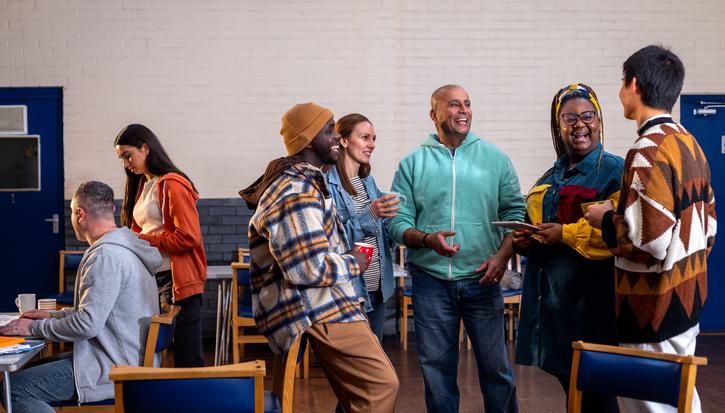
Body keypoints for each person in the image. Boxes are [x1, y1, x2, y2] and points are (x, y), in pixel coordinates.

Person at [239, 102, 399, 413]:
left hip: (324, 300)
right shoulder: (295, 190)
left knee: (360, 394)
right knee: (382, 385)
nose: (337, 138)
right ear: (309, 140)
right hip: (316, 305)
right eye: (329, 131)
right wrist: (354, 261)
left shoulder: (307, 182)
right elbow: (307, 268)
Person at [585, 45, 716, 413]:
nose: (621, 91)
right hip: (687, 299)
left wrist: (605, 221)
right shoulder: (689, 143)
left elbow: (652, 244)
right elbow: (708, 230)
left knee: (653, 408)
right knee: (682, 402)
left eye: (621, 83)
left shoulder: (647, 149)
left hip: (653, 306)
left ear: (634, 84)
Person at [387, 85, 523, 413]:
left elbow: (515, 213)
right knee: (437, 373)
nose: (463, 110)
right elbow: (396, 223)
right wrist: (425, 239)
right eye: (453, 105)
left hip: (483, 278)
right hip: (430, 282)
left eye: (467, 104)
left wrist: (502, 257)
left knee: (496, 369)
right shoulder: (412, 163)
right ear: (434, 115)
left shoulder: (495, 158)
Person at [0, 181, 160, 413]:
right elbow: (100, 312)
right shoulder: (126, 247)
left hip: (114, 366)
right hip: (122, 356)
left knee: (14, 389)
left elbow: (87, 325)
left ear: (79, 213)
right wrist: (53, 315)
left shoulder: (106, 255)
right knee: (23, 376)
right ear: (112, 210)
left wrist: (33, 328)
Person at [513, 84, 623, 412]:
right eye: (569, 118)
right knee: (573, 393)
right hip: (553, 307)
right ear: (558, 127)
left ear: (600, 121)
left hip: (592, 307)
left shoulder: (615, 171)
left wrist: (565, 234)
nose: (579, 125)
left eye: (587, 116)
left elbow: (617, 234)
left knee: (598, 396)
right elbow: (538, 227)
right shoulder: (550, 176)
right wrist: (526, 241)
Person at [114, 124, 207, 367]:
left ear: (145, 148)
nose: (126, 164)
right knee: (155, 351)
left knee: (188, 358)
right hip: (155, 278)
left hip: (178, 280)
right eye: (121, 158)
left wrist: (141, 240)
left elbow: (188, 237)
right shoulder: (145, 186)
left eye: (127, 156)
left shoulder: (172, 183)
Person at [325, 113, 398, 343]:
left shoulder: (368, 182)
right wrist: (372, 214)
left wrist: (394, 221)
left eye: (373, 138)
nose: (371, 144)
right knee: (356, 363)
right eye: (365, 137)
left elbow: (379, 234)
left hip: (377, 288)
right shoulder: (327, 184)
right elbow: (332, 238)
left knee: (374, 359)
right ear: (344, 141)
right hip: (352, 291)